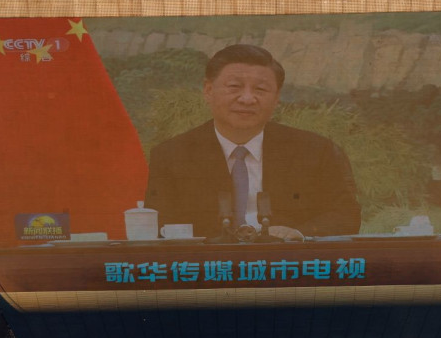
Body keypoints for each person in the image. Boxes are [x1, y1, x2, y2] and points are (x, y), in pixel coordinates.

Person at [144, 44, 360, 241]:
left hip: (288, 265)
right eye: (235, 87)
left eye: (260, 90)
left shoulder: (316, 151)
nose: (247, 99)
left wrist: (299, 233)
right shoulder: (171, 155)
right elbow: (159, 224)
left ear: (276, 98)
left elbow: (346, 215)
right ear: (208, 91)